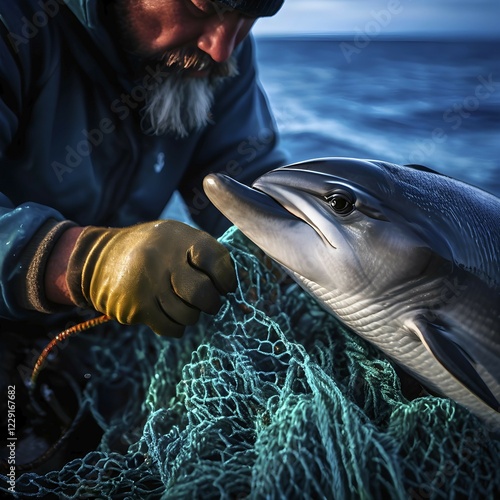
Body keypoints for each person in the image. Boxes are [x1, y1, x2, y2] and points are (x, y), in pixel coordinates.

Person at [0, 0, 288, 339]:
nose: (222, 50)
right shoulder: (14, 20)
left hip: (98, 334)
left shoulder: (216, 52)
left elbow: (245, 184)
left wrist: (294, 245)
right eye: (200, 6)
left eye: (249, 18)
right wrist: (84, 263)